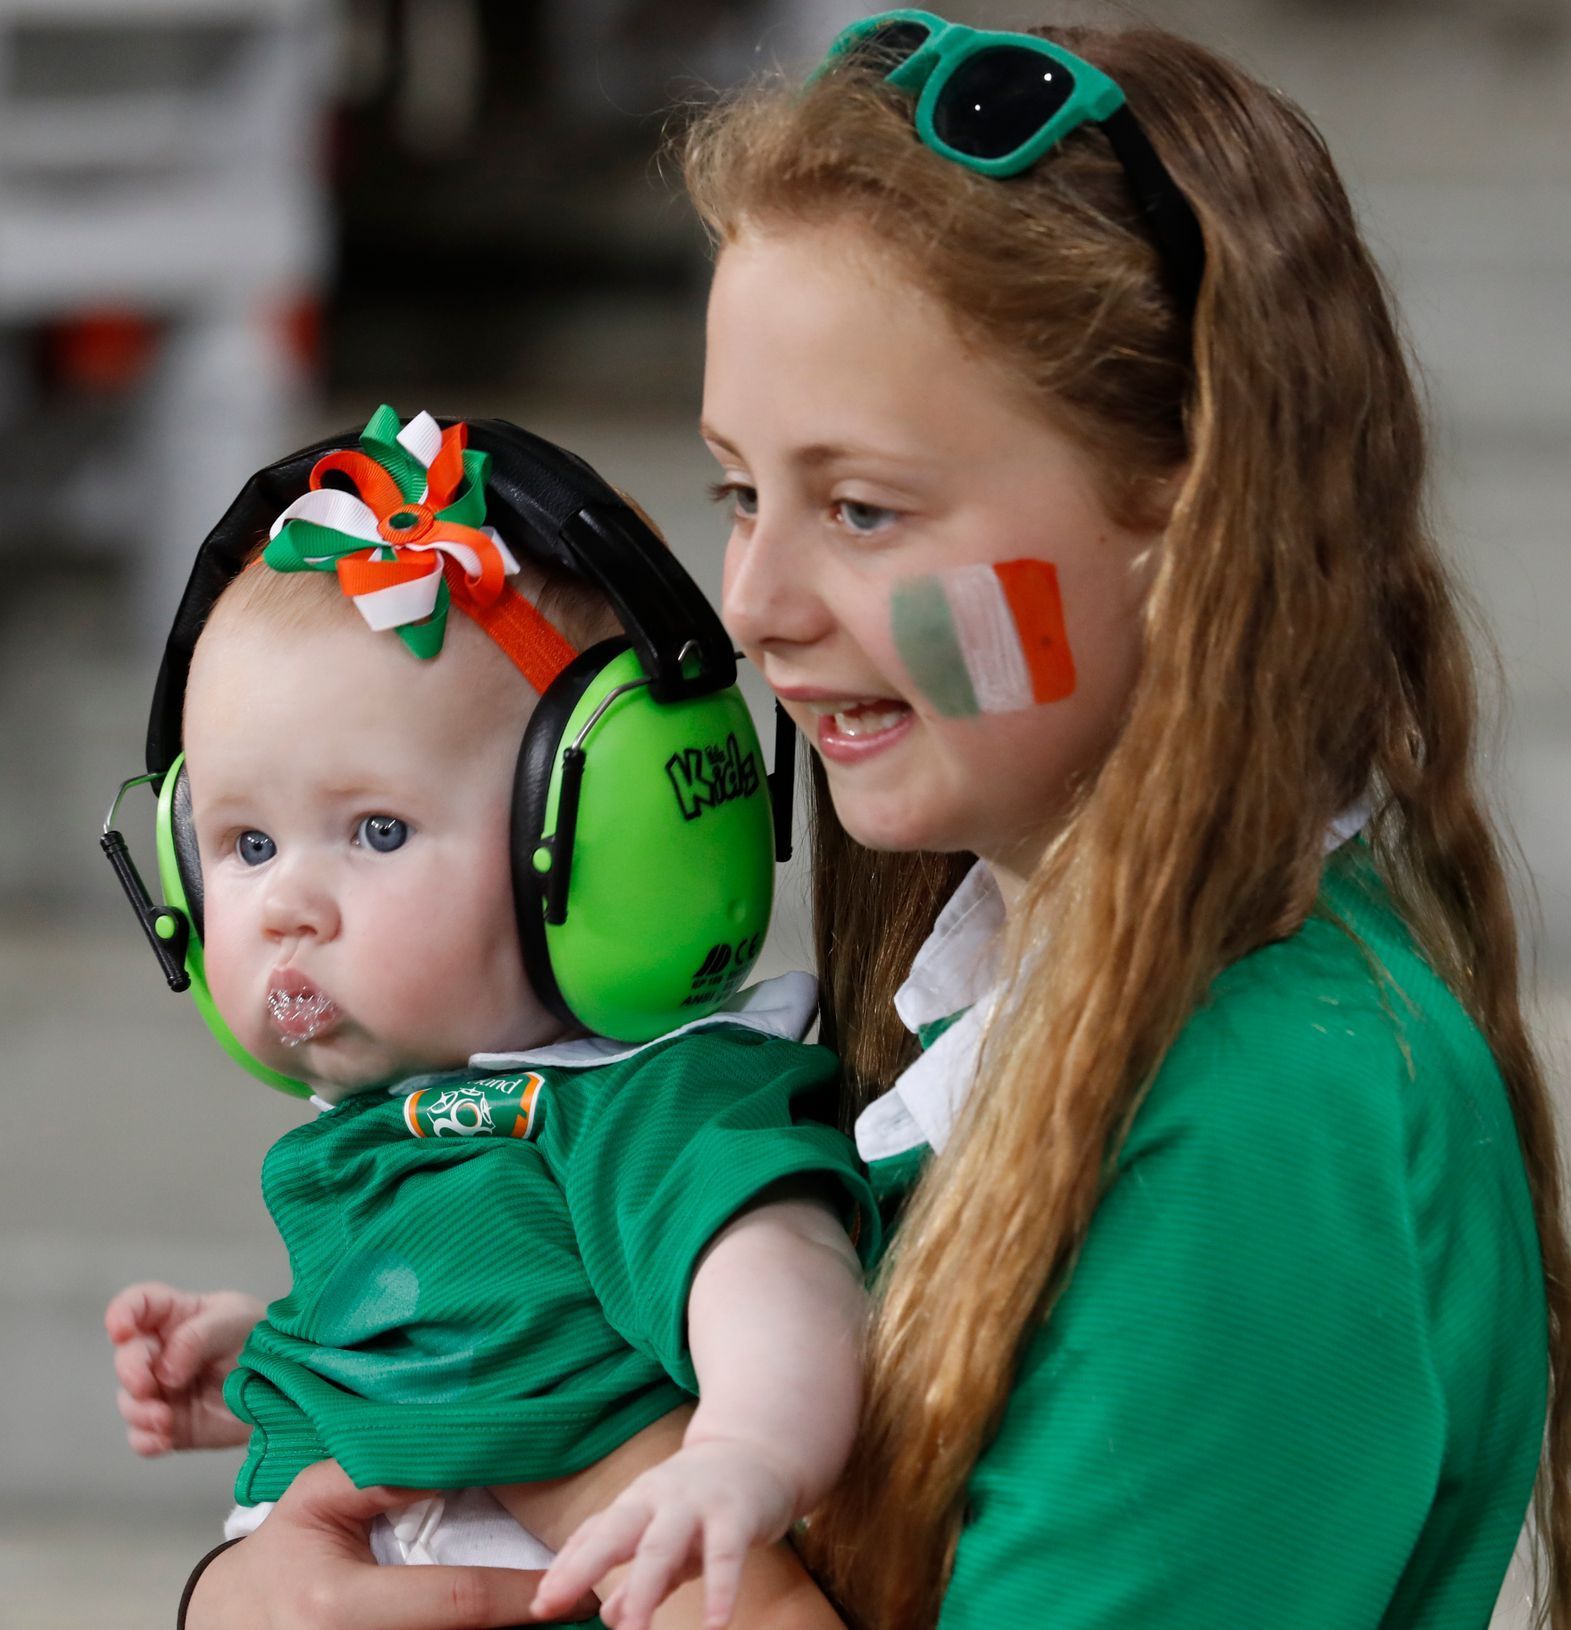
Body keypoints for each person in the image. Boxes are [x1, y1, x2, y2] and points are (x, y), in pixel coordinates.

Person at [172, 11, 1571, 1630]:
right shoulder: (1013, 986)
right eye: (738, 493)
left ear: (1184, 530)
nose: (753, 607)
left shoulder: (1269, 1124)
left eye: (861, 508)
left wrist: (591, 1511)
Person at [104, 408, 878, 1630]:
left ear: (605, 842)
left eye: (376, 831)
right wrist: (279, 1360)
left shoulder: (637, 1107)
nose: (288, 904)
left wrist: (743, 1452)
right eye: (244, 844)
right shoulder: (405, 1128)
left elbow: (775, 1273)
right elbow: (481, 1308)